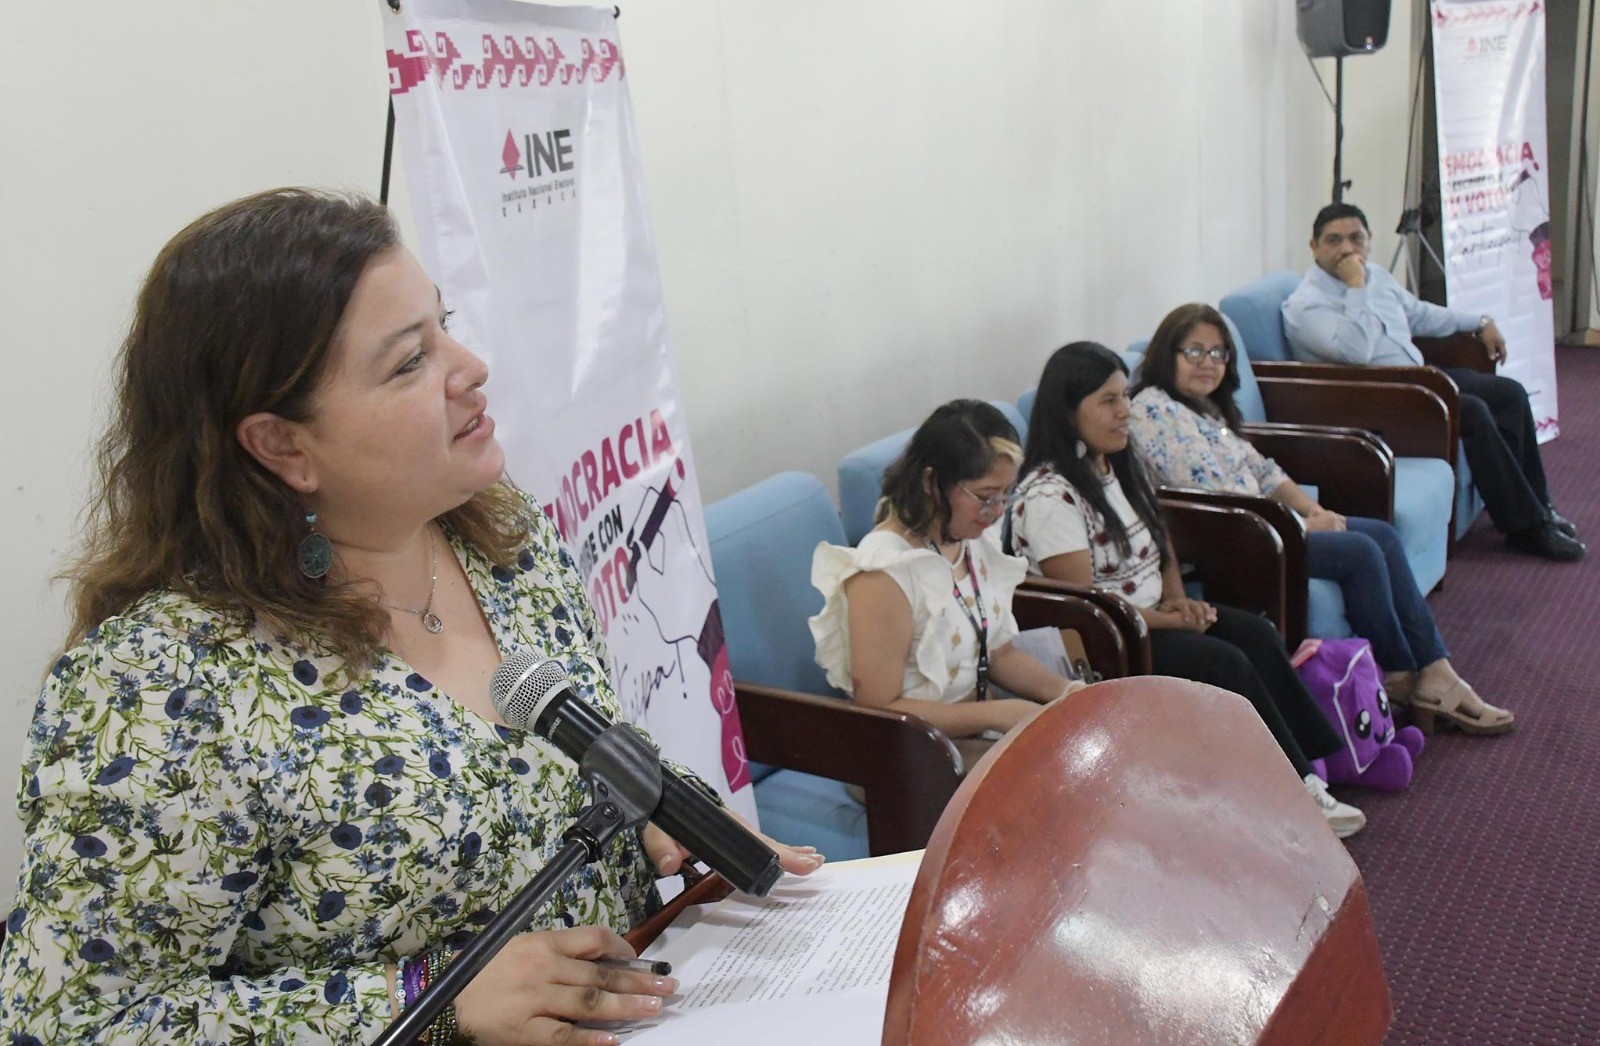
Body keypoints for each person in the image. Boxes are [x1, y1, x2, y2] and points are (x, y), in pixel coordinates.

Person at [0, 189, 821, 1046]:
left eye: (446, 325)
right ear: (282, 445)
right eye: (408, 363)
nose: (469, 367)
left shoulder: (507, 540)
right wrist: (434, 999)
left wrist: (653, 802)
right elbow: (74, 1023)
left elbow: (559, 749)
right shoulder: (160, 688)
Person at [1007, 343, 1365, 837]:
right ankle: (1291, 790)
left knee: (1254, 635)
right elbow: (1085, 607)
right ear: (1069, 413)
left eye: (1124, 397)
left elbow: (1160, 538)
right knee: (1224, 661)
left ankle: (1313, 765)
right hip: (1109, 641)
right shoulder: (1050, 494)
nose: (1124, 412)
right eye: (1107, 402)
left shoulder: (1114, 463)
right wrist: (1169, 619)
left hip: (1153, 612)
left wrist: (1177, 596)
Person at [1129, 303, 1514, 735]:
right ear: (1168, 354)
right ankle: (1403, 675)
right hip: (1236, 539)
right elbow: (1211, 496)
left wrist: (1310, 509)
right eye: (1194, 351)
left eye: (1218, 354)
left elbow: (1262, 470)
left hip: (1266, 524)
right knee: (1361, 551)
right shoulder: (1153, 411)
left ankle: (1434, 669)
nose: (1208, 363)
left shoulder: (1203, 408)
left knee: (1382, 535)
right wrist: (1301, 527)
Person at [1282, 201, 1583, 562]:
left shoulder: (1376, 277)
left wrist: (1479, 321)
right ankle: (1525, 527)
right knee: (1470, 411)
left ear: (1369, 241)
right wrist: (1355, 286)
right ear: (1313, 247)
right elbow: (1355, 352)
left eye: (1356, 239)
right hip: (1373, 399)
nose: (1347, 249)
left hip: (1419, 382)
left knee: (1509, 394)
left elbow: (1421, 315)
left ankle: (1540, 506)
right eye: (1333, 241)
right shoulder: (1305, 305)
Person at [809, 400, 1084, 775]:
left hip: (974, 725)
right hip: (910, 752)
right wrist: (999, 714)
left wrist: (1066, 692)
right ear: (931, 482)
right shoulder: (885, 572)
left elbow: (998, 654)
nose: (998, 511)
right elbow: (880, 710)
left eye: (1006, 494)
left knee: (1086, 744)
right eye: (985, 496)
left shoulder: (968, 537)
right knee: (1061, 774)